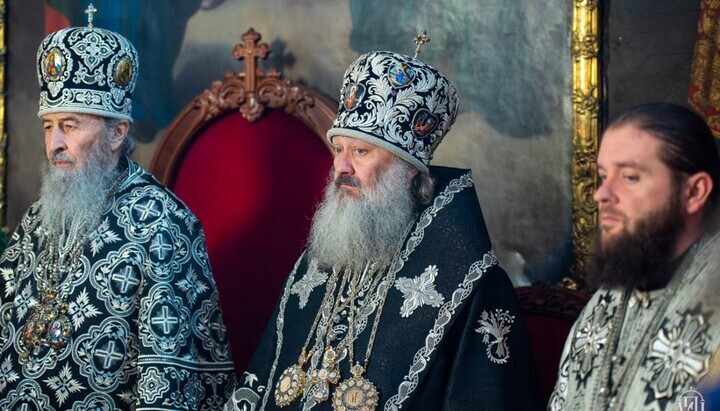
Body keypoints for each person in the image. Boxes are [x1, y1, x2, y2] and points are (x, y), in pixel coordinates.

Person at [224, 48, 538, 410]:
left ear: (407, 172)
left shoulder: (471, 285)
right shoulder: (321, 261)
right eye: (337, 149)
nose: (341, 166)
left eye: (360, 152)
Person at [0, 6, 235, 409]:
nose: (54, 143)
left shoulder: (164, 227)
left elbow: (167, 385)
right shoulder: (38, 218)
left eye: (70, 125)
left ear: (117, 133)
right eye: (47, 126)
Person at [549, 103, 720, 410]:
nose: (601, 194)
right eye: (603, 176)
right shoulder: (606, 299)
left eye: (629, 177)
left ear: (694, 192)